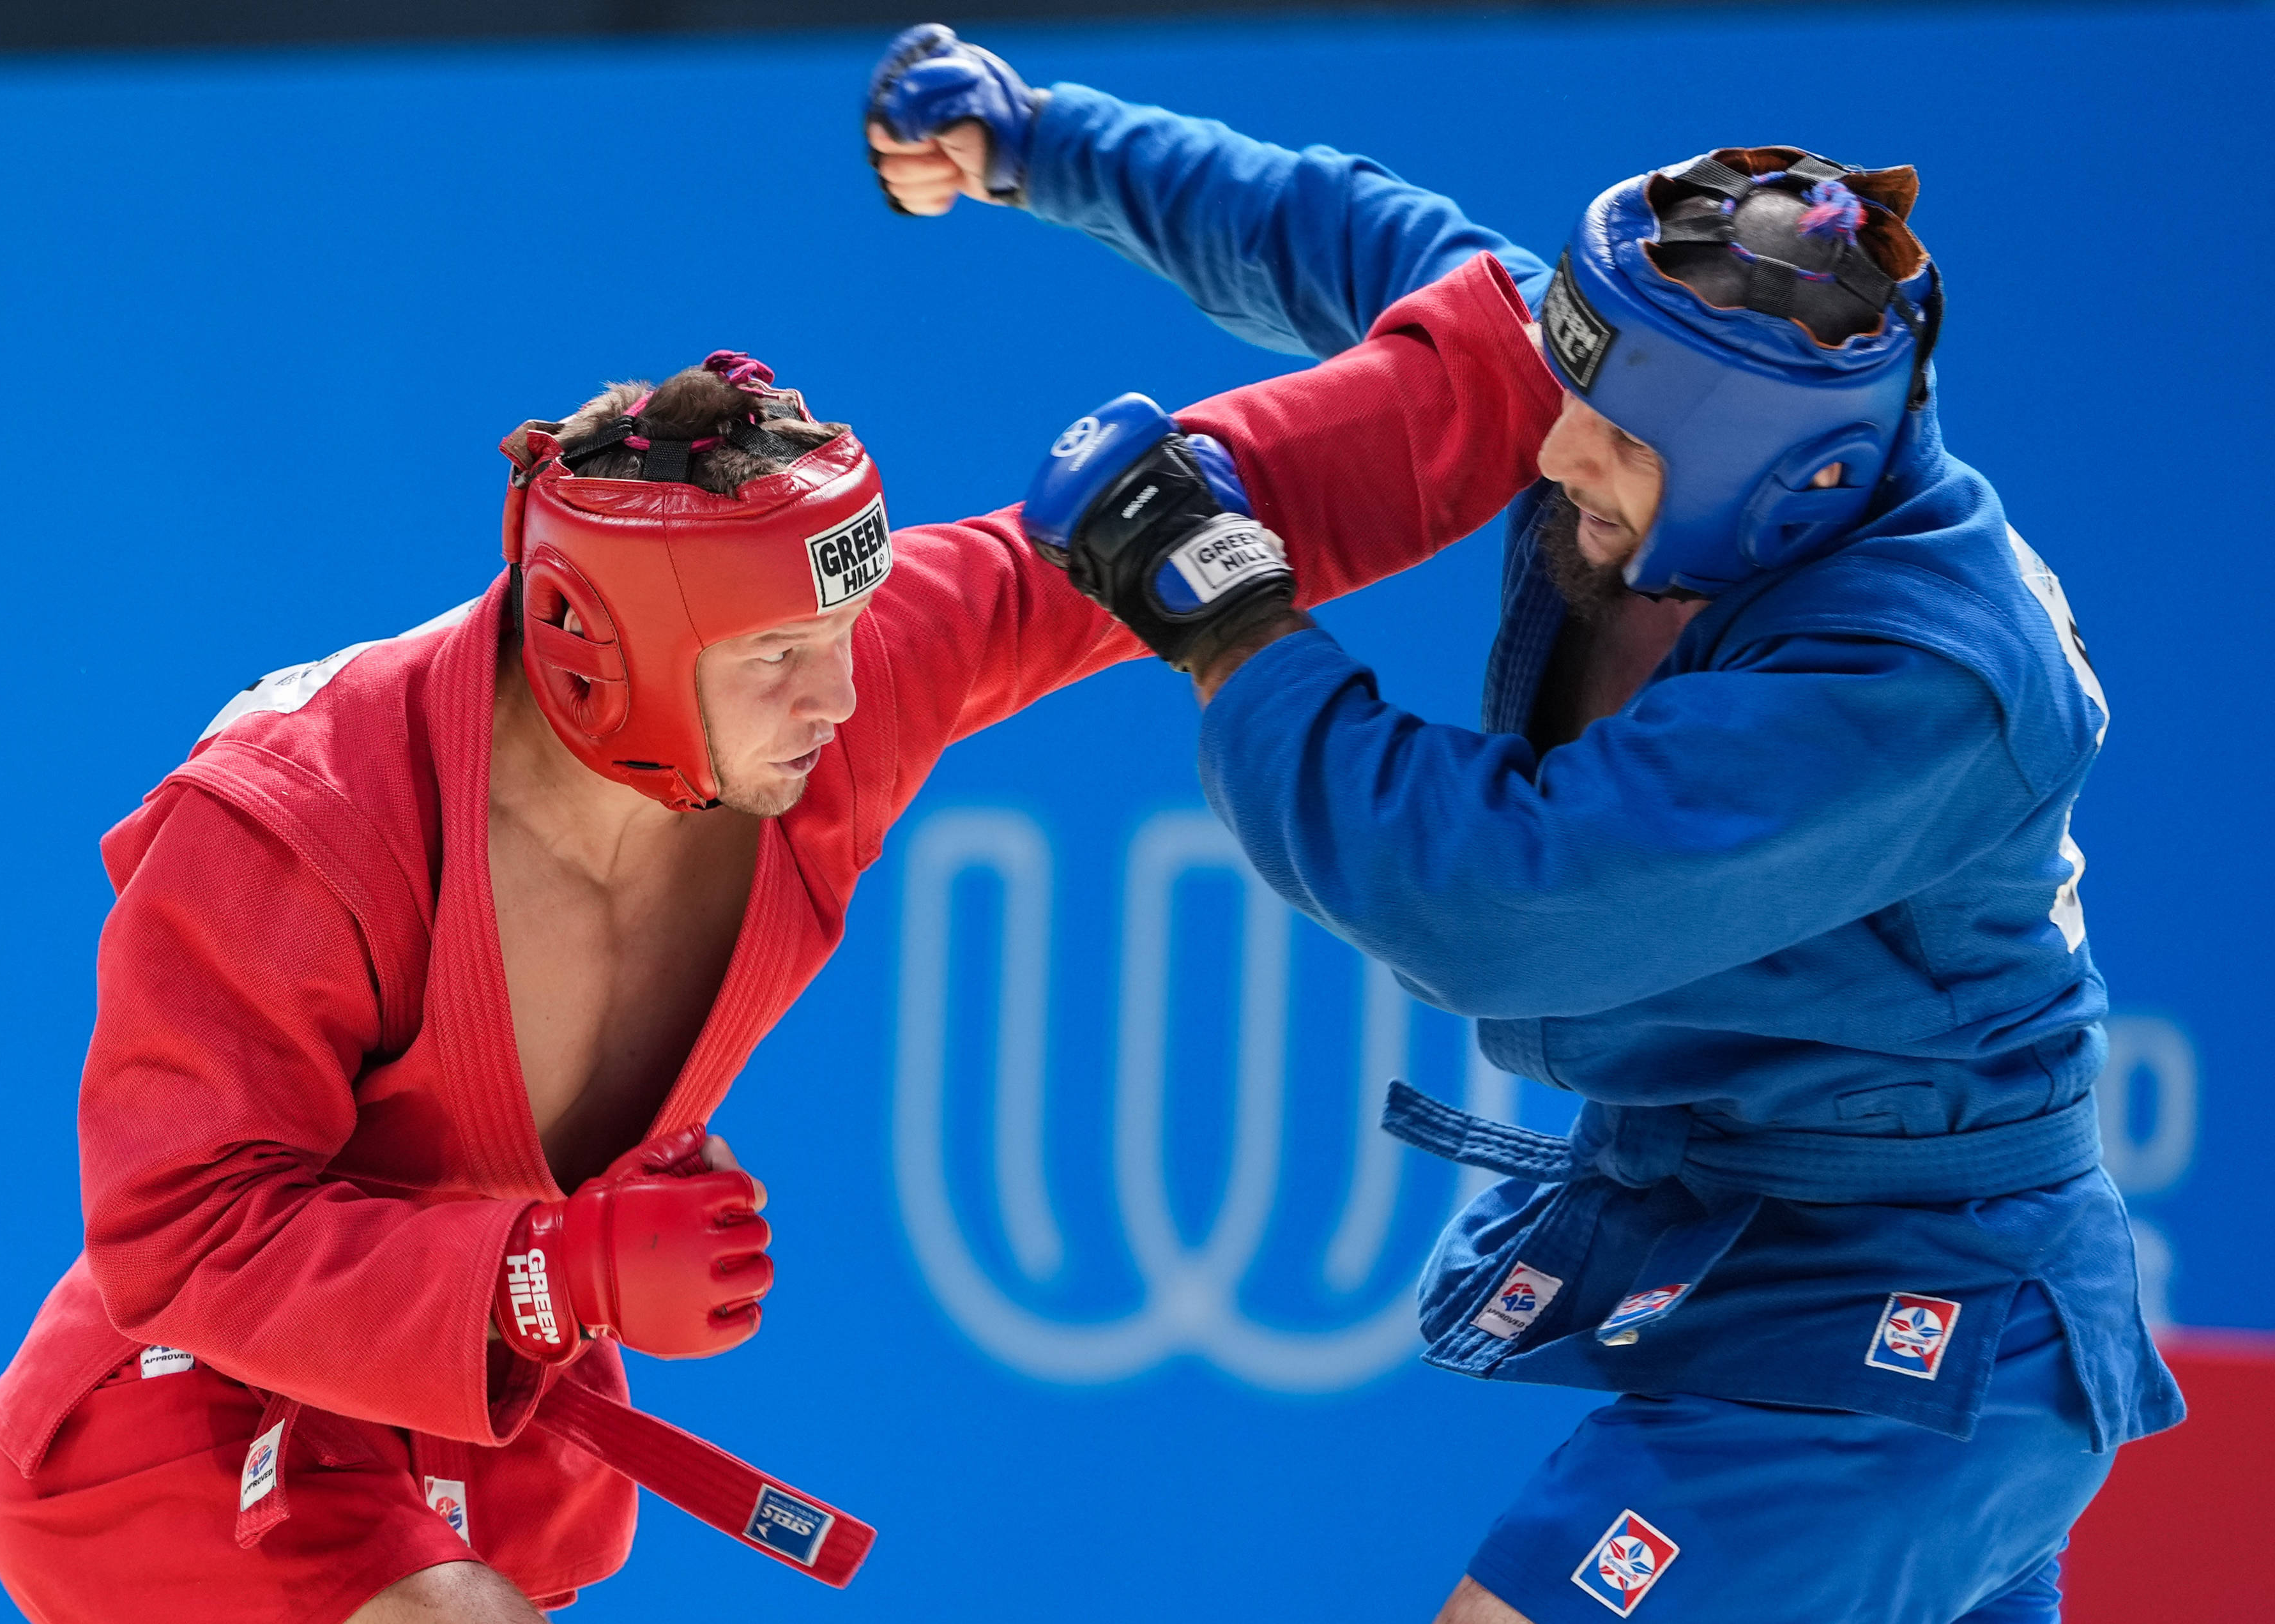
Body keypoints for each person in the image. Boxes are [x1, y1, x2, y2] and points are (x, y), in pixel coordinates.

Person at [0, 275, 1558, 1622]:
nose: (845, 699)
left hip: (481, 1417)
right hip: (194, 1412)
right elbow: (177, 1240)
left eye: (841, 641)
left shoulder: (822, 707)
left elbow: (1150, 524)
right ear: (603, 653)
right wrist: (556, 1267)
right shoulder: (289, 822)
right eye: (785, 660)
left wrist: (1535, 361)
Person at [867, 28, 2184, 1624]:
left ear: (1797, 484)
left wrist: (1225, 623)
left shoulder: (1922, 676)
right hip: (1791, 1256)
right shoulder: (1668, 397)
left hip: (1921, 1323)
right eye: (1572, 389)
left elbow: (1494, 896)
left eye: (1617, 444)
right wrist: (1038, 141)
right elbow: (1338, 236)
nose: (1555, 452)